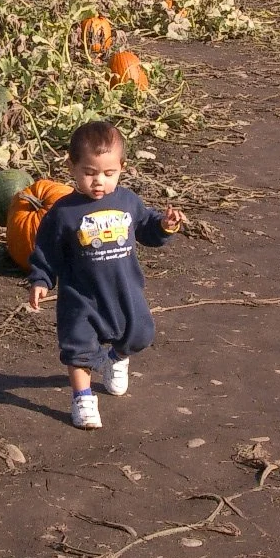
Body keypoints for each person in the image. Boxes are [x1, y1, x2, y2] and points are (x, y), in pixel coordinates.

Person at [28, 120, 185, 429]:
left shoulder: (127, 201)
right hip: (81, 296)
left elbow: (146, 227)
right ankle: (83, 397)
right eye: (89, 173)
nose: (99, 181)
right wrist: (41, 279)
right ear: (71, 166)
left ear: (121, 168)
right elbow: (46, 250)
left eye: (108, 173)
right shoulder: (63, 212)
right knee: (77, 346)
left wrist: (164, 227)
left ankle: (115, 358)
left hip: (124, 291)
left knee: (141, 334)